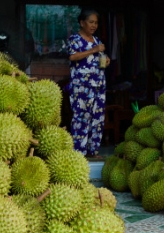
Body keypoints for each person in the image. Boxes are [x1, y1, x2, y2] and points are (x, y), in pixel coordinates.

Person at [67, 8, 110, 158]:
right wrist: (93, 50)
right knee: (81, 118)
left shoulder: (97, 41)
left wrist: (106, 60)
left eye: (96, 23)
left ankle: (93, 151)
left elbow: (99, 57)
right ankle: (79, 152)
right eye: (91, 22)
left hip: (98, 85)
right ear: (82, 23)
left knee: (98, 118)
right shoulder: (75, 39)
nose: (94, 25)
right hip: (82, 86)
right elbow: (73, 57)